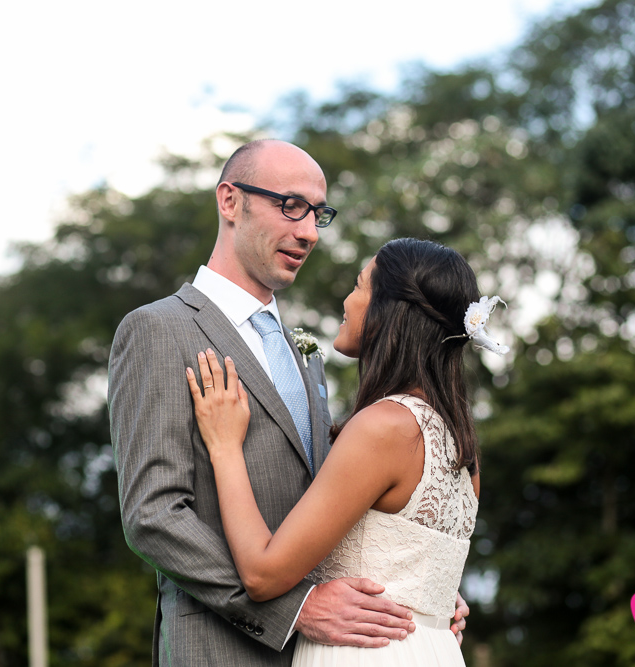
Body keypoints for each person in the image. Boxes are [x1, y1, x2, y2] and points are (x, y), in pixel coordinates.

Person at [109, 140, 469, 666]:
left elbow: (342, 499)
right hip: (221, 650)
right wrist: (295, 609)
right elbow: (153, 515)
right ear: (230, 201)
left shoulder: (305, 353)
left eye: (317, 214)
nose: (309, 232)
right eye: (291, 206)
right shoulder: (158, 329)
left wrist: (417, 585)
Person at [185, 238, 504, 666]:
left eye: (359, 286)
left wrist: (225, 447)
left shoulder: (383, 426)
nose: (347, 301)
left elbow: (262, 575)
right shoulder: (461, 447)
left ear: (390, 312)